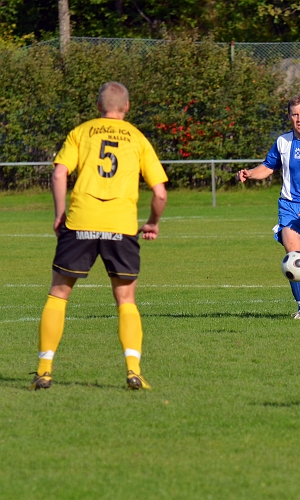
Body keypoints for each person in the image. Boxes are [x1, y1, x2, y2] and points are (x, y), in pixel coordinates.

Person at [31, 81, 168, 391]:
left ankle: (44, 370)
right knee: (126, 299)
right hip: (121, 224)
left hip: (80, 221)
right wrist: (152, 223)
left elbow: (58, 173)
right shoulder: (137, 137)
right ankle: (133, 371)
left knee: (59, 293)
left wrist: (59, 213)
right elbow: (160, 193)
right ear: (127, 107)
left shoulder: (82, 132)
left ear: (98, 107)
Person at [237, 94, 300, 320]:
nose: (299, 119)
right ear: (289, 116)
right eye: (295, 114)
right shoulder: (282, 142)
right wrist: (250, 173)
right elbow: (268, 166)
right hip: (289, 210)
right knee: (294, 257)